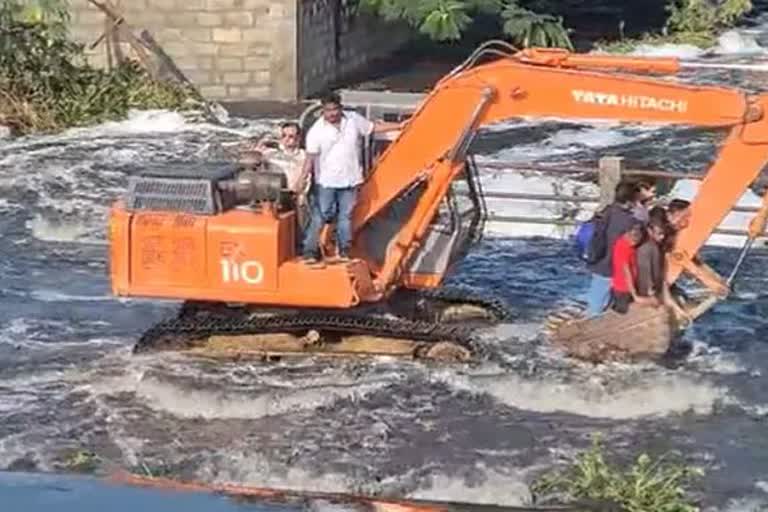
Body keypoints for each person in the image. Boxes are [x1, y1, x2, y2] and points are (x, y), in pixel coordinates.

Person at [298, 91, 402, 266]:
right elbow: (310, 158)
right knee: (321, 215)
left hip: (351, 179)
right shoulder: (316, 131)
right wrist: (302, 178)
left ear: (340, 108)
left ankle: (343, 251)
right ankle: (309, 251)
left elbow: (372, 127)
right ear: (322, 111)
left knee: (345, 216)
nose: (332, 114)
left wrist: (399, 126)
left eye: (334, 109)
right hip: (327, 181)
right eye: (327, 110)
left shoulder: (353, 120)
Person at [584, 181, 639, 317]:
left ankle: (592, 318)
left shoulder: (607, 210)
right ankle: (592, 327)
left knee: (596, 296)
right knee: (600, 303)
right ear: (630, 200)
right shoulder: (629, 221)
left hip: (597, 258)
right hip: (611, 265)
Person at [610, 221, 658, 314]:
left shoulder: (622, 241)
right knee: (623, 310)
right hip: (623, 287)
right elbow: (626, 273)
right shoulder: (624, 249)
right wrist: (634, 293)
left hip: (623, 285)